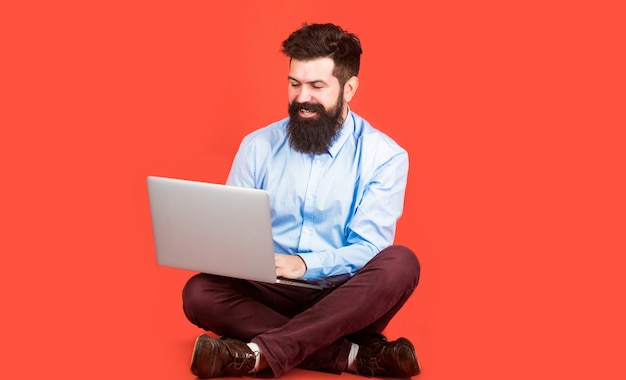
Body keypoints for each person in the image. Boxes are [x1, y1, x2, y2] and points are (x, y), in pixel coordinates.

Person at [182, 23, 421, 379]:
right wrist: (224, 251)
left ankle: (254, 353)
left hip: (342, 296)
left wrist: (303, 264)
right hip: (269, 291)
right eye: (295, 84)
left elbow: (369, 247)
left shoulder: (385, 156)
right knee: (198, 291)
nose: (302, 97)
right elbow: (231, 235)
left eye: (317, 86)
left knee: (401, 263)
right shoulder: (257, 146)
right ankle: (357, 357)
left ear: (349, 88)